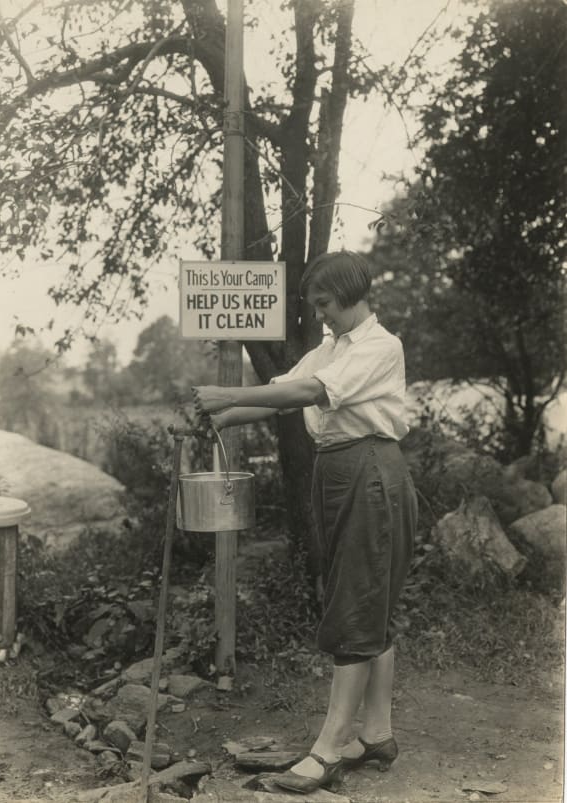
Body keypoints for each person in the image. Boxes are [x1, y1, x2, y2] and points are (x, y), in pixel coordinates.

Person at [192, 250, 418, 793]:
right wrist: (212, 416)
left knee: (357, 603)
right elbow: (281, 398)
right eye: (315, 306)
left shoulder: (380, 347)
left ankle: (330, 747)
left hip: (369, 469)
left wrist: (227, 393)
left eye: (325, 304)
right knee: (366, 600)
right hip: (340, 471)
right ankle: (376, 734)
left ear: (350, 294)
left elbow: (314, 393)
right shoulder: (332, 347)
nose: (322, 315)